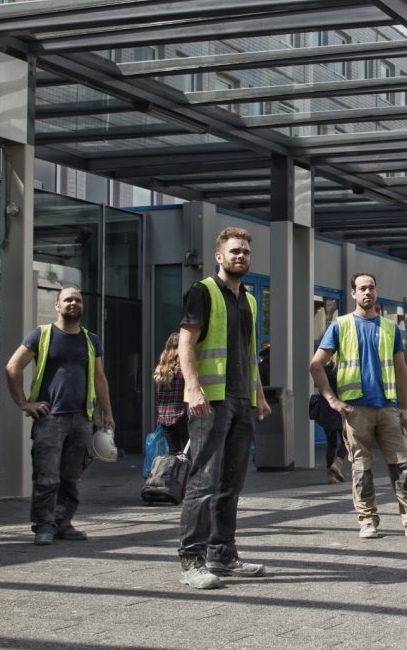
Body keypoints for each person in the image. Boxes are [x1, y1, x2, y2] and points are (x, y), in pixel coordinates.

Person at [310, 272, 407, 541]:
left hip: (387, 408)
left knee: (403, 466)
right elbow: (316, 365)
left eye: (371, 287)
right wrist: (331, 400)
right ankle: (367, 521)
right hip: (355, 410)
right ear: (353, 293)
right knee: (361, 469)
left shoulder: (389, 328)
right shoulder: (340, 325)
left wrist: (406, 407)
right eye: (362, 288)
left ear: (376, 291)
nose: (367, 292)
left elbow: (400, 371)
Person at [176, 227, 271, 590]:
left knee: (231, 483)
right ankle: (191, 559)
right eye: (234, 251)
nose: (241, 256)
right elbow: (186, 341)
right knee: (202, 481)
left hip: (240, 401)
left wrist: (259, 395)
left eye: (245, 252)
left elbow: (250, 356)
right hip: (210, 402)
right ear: (220, 256)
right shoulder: (203, 292)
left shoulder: (248, 300)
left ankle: (223, 554)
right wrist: (193, 388)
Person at [5, 287, 116, 546]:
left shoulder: (91, 340)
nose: (73, 303)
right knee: (47, 476)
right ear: (57, 305)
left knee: (71, 477)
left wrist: (107, 412)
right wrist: (23, 402)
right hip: (51, 418)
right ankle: (43, 526)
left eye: (77, 300)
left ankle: (63, 523)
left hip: (81, 418)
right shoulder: (41, 335)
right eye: (68, 300)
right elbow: (13, 367)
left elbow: (100, 378)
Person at [310, 360, 348, 483]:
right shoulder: (342, 372)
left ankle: (330, 475)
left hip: (325, 410)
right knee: (347, 440)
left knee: (331, 443)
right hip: (339, 409)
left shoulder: (323, 370)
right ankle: (337, 463)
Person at [153, 332, 189, 455]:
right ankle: (187, 474)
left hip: (164, 418)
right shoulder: (184, 369)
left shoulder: (161, 370)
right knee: (189, 452)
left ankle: (175, 473)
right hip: (181, 415)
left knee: (174, 453)